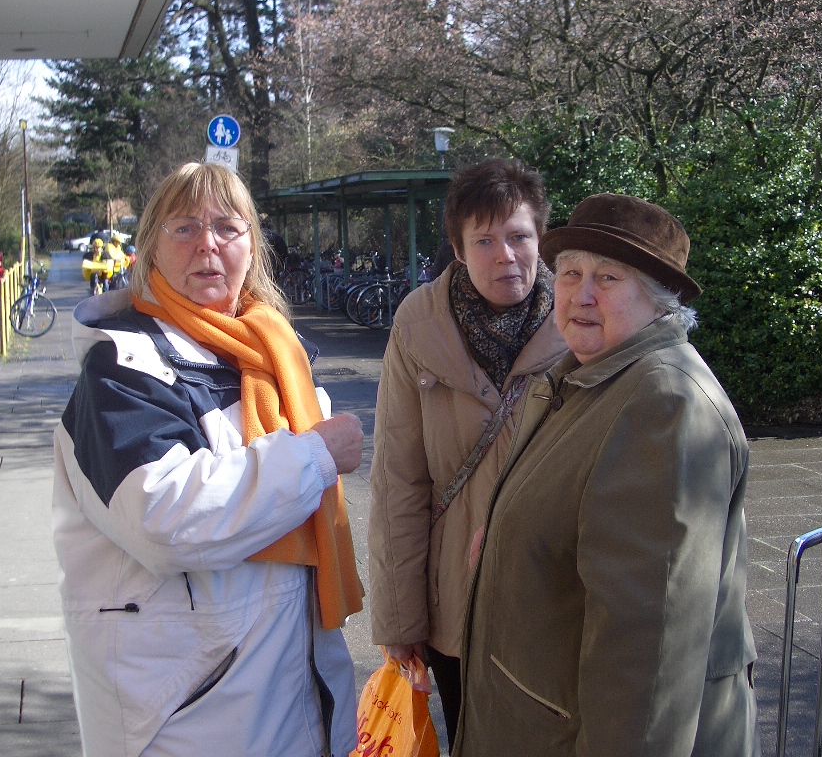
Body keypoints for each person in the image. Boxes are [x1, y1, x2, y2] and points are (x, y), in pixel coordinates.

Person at [53, 162, 365, 757]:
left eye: (226, 226)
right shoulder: (120, 369)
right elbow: (168, 519)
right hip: (187, 719)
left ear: (252, 244)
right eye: (184, 227)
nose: (207, 244)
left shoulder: (271, 353)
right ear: (151, 245)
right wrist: (315, 456)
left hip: (289, 700)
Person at [454, 194, 760, 757]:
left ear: (659, 301)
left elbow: (648, 655)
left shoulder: (663, 406)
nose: (582, 295)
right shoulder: (590, 377)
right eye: (571, 274)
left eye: (609, 278)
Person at [368, 158, 567, 750]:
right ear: (457, 249)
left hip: (553, 598)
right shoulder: (418, 324)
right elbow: (399, 480)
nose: (506, 255)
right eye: (484, 240)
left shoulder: (580, 318)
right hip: (455, 602)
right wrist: (400, 619)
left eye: (519, 236)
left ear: (541, 239)